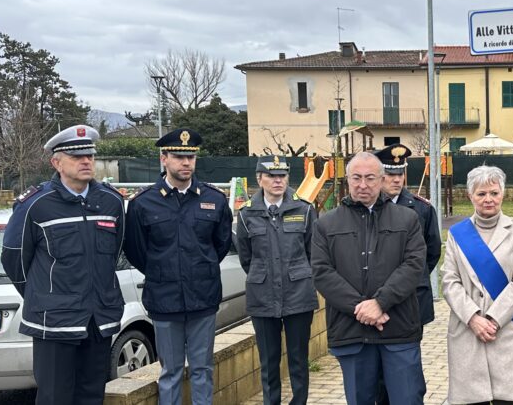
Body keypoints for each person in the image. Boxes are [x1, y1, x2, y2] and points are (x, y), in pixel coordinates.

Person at [0, 125, 126, 405]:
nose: (86, 162)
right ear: (56, 163)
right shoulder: (35, 205)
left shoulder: (111, 201)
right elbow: (14, 259)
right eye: (76, 156)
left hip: (98, 321)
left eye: (90, 156)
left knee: (92, 396)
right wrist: (44, 296)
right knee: (55, 398)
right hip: (54, 323)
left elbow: (112, 254)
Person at [123, 128, 233, 405]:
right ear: (164, 159)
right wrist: (163, 271)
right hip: (164, 299)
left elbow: (219, 247)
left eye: (191, 157)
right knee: (170, 371)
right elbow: (136, 251)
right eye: (179, 157)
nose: (186, 163)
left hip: (202, 299)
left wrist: (198, 269)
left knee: (202, 369)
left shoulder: (214, 200)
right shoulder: (143, 204)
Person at [311, 151, 427, 405]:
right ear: (347, 179)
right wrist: (361, 308)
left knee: (407, 399)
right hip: (352, 332)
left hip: (398, 329)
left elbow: (414, 265)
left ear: (382, 179)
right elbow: (322, 272)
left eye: (370, 178)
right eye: (357, 178)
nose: (363, 185)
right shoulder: (326, 224)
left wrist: (380, 303)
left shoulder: (407, 219)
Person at [442, 165, 513, 405]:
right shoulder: (457, 233)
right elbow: (450, 280)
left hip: (504, 330)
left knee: (507, 401)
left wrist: (493, 319)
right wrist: (474, 318)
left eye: (494, 193)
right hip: (468, 330)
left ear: (502, 194)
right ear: (470, 196)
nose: (488, 199)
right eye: (481, 193)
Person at [235, 155, 319, 405]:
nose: (277, 180)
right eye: (271, 176)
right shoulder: (246, 214)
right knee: (269, 362)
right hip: (263, 297)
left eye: (282, 175)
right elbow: (246, 258)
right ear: (259, 179)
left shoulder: (304, 209)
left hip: (298, 295)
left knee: (298, 360)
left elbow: (312, 252)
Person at [374, 143, 442, 325]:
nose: (397, 180)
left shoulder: (422, 209)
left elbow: (432, 251)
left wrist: (415, 274)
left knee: (410, 349)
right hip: (377, 294)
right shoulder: (369, 209)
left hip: (414, 293)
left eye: (400, 174)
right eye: (390, 174)